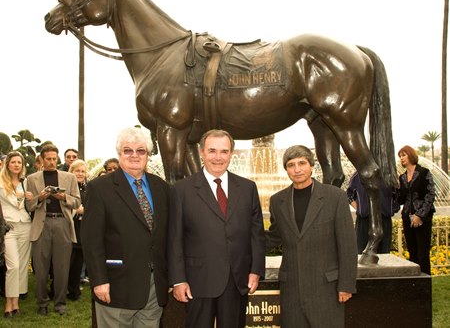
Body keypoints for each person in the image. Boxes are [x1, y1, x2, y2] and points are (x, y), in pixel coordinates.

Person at [168, 129, 266, 328]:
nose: (218, 157)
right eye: (212, 151)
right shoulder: (181, 190)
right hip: (198, 281)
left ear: (231, 154)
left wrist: (255, 270)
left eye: (224, 151)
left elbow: (256, 234)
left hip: (236, 281)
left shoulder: (248, 188)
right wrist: (178, 280)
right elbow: (174, 239)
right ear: (201, 152)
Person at [81, 127, 170, 328]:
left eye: (141, 150)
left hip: (154, 289)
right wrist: (98, 280)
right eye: (127, 150)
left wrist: (169, 277)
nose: (134, 155)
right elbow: (91, 239)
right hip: (116, 286)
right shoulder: (100, 188)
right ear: (119, 154)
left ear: (148, 154)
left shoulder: (161, 187)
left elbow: (165, 235)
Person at [265, 145, 357, 328]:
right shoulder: (277, 200)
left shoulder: (335, 197)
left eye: (302, 163)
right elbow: (275, 237)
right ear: (286, 169)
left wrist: (346, 284)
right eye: (291, 165)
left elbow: (347, 244)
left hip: (326, 288)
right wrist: (238, 239)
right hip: (292, 289)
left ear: (311, 166)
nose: (297, 169)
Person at [25, 144, 81, 316]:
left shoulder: (69, 177)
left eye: (53, 159)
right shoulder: (32, 179)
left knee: (62, 267)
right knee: (41, 269)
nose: (51, 162)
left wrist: (63, 197)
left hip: (62, 223)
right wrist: (40, 198)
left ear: (57, 159)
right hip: (41, 225)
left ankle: (60, 303)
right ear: (41, 159)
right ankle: (42, 302)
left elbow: (77, 202)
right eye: (48, 159)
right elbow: (29, 205)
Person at [0, 151, 33, 317]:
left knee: (22, 266)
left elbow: (30, 204)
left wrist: (29, 198)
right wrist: (20, 199)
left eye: (19, 162)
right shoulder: (0, 181)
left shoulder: (25, 182)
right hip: (9, 227)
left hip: (25, 225)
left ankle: (16, 302)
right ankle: (8, 302)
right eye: (13, 162)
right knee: (12, 266)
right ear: (7, 164)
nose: (16, 165)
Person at [397, 145, 436, 275]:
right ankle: (415, 286)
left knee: (423, 254)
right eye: (400, 156)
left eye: (404, 155)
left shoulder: (424, 172)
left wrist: (419, 215)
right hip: (407, 218)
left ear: (411, 155)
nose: (401, 158)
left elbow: (430, 195)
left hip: (423, 219)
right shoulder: (402, 177)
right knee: (412, 253)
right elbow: (401, 200)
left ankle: (425, 285)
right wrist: (396, 188)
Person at [347, 171, 399, 254]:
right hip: (364, 220)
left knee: (384, 255)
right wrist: (360, 208)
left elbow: (397, 196)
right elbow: (349, 195)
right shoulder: (358, 175)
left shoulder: (388, 174)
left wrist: (390, 208)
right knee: (361, 253)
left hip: (384, 219)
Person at [66, 159, 88, 301]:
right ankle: (59, 290)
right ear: (71, 172)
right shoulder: (66, 188)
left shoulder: (88, 189)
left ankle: (74, 291)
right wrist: (75, 210)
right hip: (68, 228)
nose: (80, 174)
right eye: (77, 171)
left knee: (78, 261)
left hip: (83, 230)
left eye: (83, 171)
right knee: (67, 261)